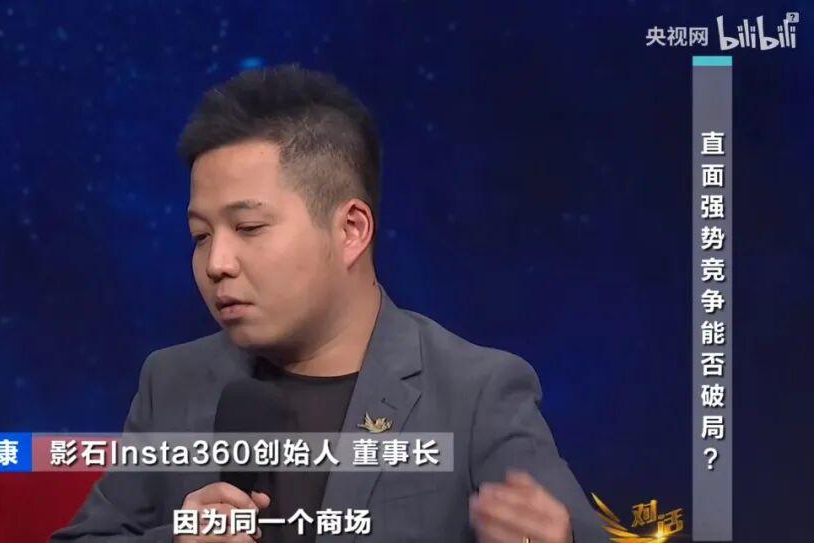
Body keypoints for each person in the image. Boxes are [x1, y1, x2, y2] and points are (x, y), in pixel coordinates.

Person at [51, 64, 605, 543]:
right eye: (200, 235)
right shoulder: (172, 382)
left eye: (248, 227)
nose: (216, 262)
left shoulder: (475, 394)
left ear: (351, 229)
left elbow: (563, 530)